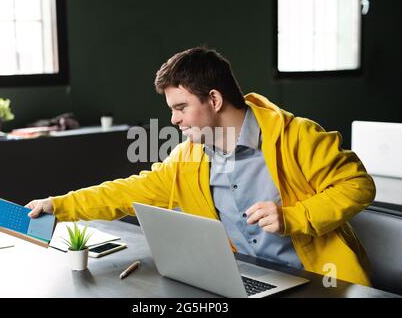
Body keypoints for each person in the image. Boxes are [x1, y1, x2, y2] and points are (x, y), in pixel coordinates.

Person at [27, 47, 375, 286]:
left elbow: (358, 185)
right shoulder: (188, 157)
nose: (173, 119)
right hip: (247, 280)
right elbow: (127, 191)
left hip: (321, 283)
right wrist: (58, 206)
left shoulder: (298, 135)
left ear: (214, 99)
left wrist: (294, 217)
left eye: (180, 106)